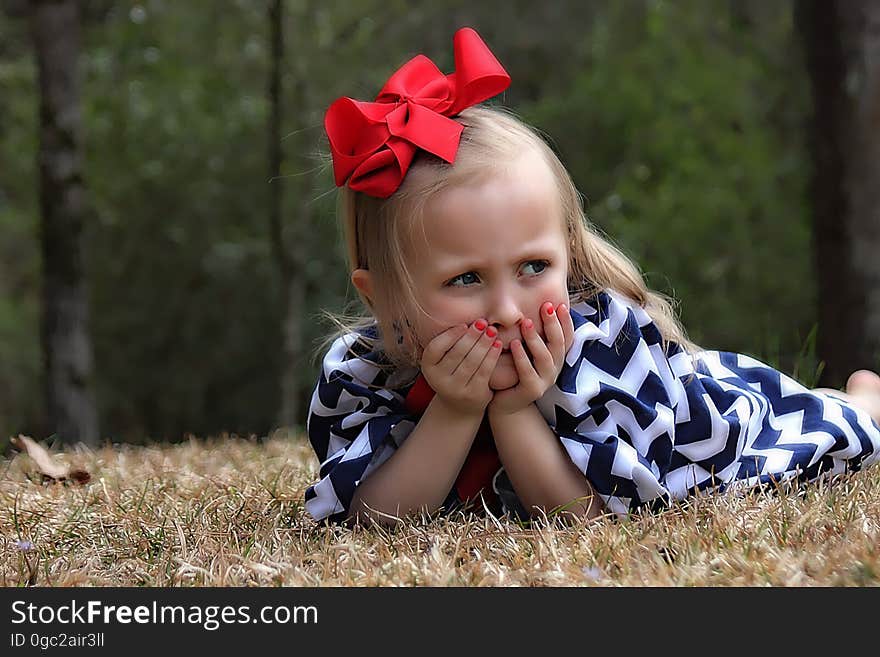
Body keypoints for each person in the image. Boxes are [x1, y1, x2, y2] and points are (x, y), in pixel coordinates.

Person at [304, 27, 880, 527]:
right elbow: (373, 519)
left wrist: (511, 410)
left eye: (534, 267)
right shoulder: (364, 375)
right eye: (465, 280)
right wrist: (453, 411)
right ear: (386, 302)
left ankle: (862, 401)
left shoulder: (602, 348)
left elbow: (587, 517)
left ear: (568, 255)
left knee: (819, 432)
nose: (508, 309)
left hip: (707, 414)